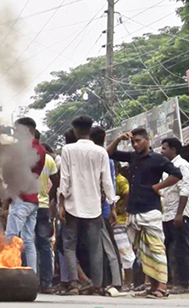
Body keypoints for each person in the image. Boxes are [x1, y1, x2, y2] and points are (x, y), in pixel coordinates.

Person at [107, 128, 182, 299]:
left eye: (138, 140)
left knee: (156, 249)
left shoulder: (157, 159)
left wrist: (157, 187)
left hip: (151, 209)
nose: (135, 144)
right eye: (133, 142)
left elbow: (177, 174)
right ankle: (153, 285)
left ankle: (162, 286)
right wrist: (119, 138)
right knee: (143, 251)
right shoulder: (133, 157)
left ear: (147, 140)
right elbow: (109, 153)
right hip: (134, 210)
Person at [58, 116, 115, 296]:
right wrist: (112, 206)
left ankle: (74, 284)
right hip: (93, 207)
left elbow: (64, 179)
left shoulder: (68, 149)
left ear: (75, 130)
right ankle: (97, 285)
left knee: (69, 246)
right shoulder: (101, 152)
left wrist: (61, 204)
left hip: (72, 204)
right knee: (95, 247)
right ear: (90, 130)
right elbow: (107, 181)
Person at [4, 117, 46, 274]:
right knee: (29, 241)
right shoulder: (41, 149)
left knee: (11, 236)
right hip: (33, 199)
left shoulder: (25, 148)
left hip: (21, 199)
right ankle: (32, 274)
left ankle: (9, 271)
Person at [160, 137, 189, 294]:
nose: (162, 151)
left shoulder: (183, 166)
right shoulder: (167, 167)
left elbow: (185, 189)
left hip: (179, 214)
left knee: (181, 250)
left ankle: (183, 284)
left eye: (164, 148)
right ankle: (169, 282)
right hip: (167, 214)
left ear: (173, 149)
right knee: (167, 249)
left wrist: (179, 214)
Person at [90, 126, 123, 292]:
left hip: (96, 209)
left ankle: (114, 282)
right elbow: (111, 185)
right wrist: (113, 207)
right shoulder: (104, 158)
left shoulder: (99, 158)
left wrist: (111, 208)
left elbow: (109, 185)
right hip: (102, 208)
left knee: (106, 247)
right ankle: (109, 281)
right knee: (105, 247)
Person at [36, 143, 58, 293]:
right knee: (44, 245)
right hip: (43, 207)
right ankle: (47, 284)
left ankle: (32, 280)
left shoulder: (24, 157)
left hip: (27, 205)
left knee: (26, 244)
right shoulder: (49, 159)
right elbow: (56, 181)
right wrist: (49, 198)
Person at [112, 162, 136, 291]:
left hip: (120, 220)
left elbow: (127, 193)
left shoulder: (119, 180)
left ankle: (128, 282)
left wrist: (122, 207)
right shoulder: (112, 179)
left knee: (125, 251)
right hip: (117, 220)